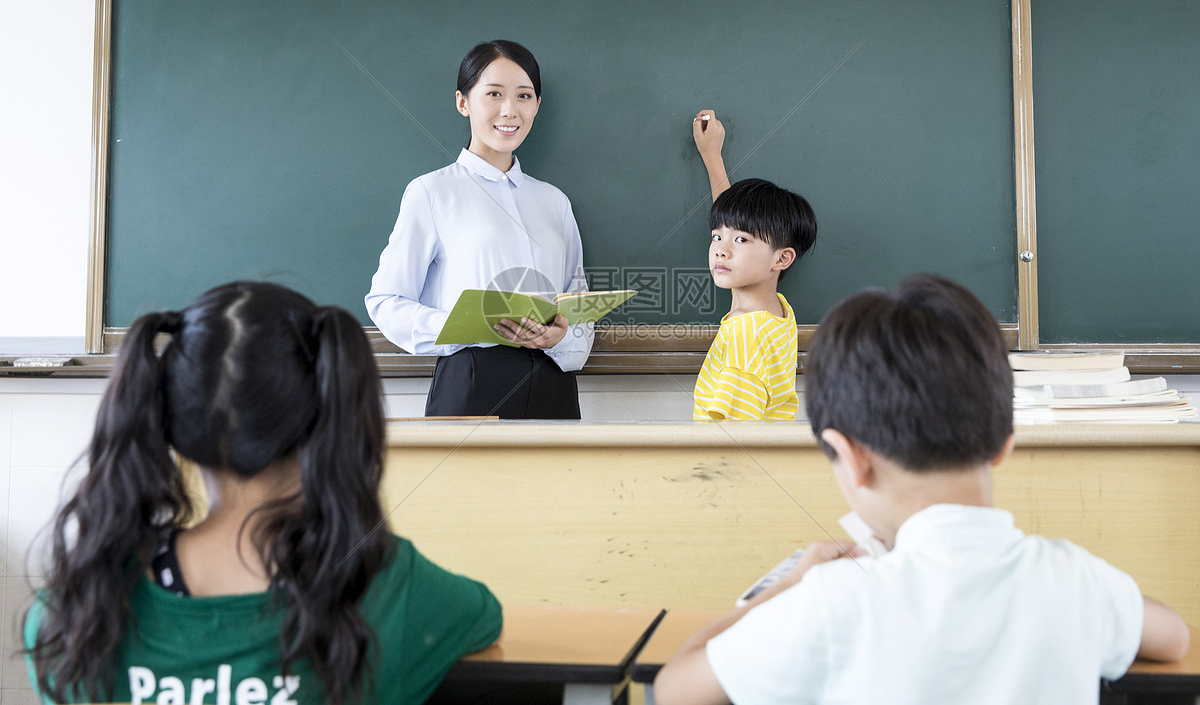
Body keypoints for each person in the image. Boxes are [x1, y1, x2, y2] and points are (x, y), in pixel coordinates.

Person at [656, 274, 1191, 704]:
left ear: (848, 458)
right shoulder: (1072, 578)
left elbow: (675, 688)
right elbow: (1174, 639)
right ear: (1004, 442)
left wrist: (788, 586)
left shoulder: (832, 599)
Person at [24, 281, 501, 705]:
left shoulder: (71, 616)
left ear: (172, 416)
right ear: (325, 412)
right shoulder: (393, 586)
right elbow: (484, 616)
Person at [366, 40, 592, 419]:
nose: (510, 110)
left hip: (555, 385)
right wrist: (466, 326)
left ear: (537, 105)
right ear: (463, 102)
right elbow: (385, 301)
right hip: (472, 381)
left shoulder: (555, 201)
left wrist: (562, 337)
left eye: (524, 95)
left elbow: (579, 302)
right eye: (494, 94)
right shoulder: (432, 192)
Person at [690, 110, 818, 420]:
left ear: (782, 258)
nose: (721, 250)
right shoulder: (776, 312)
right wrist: (712, 156)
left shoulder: (746, 336)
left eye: (741, 241)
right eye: (716, 237)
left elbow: (732, 441)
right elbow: (736, 228)